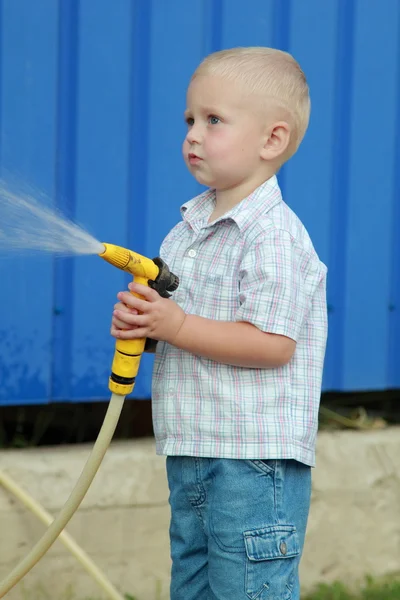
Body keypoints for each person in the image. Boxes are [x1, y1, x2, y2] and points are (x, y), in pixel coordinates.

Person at [111, 47, 328, 600]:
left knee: (249, 588)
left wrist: (176, 324)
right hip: (193, 450)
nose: (192, 134)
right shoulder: (184, 233)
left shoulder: (274, 236)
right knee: (194, 587)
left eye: (213, 120)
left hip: (251, 463)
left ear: (271, 140)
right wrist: (151, 325)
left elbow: (273, 344)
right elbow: (189, 329)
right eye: (189, 119)